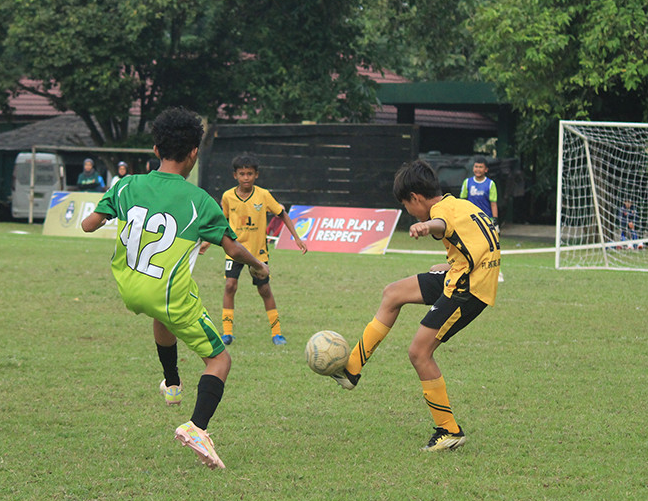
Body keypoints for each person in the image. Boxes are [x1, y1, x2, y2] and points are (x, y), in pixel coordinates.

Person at [81, 107, 269, 470]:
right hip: (168, 293)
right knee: (220, 360)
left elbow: (89, 225)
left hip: (131, 287)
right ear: (194, 153)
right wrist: (258, 263)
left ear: (155, 149)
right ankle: (197, 427)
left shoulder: (126, 184)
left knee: (160, 318)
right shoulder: (199, 201)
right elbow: (232, 248)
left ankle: (172, 383)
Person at [330, 159, 501, 452]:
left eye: (407, 206)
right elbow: (481, 236)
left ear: (416, 198)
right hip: (462, 273)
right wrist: (452, 263)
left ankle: (448, 430)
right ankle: (352, 368)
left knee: (419, 352)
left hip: (467, 288)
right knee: (393, 293)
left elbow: (441, 224)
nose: (409, 212)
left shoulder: (439, 213)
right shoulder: (461, 205)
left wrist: (425, 226)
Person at [199, 153, 308, 346]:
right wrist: (207, 242)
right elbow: (221, 221)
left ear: (256, 175)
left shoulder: (263, 195)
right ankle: (227, 333)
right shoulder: (228, 197)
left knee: (264, 289)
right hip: (234, 251)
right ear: (235, 176)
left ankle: (277, 334)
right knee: (230, 286)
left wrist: (297, 238)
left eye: (249, 173)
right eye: (242, 174)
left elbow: (282, 214)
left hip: (258, 253)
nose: (246, 178)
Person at [459, 157, 505, 282]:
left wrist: (495, 220)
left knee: (491, 247)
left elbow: (493, 203)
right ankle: (470, 272)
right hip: (471, 221)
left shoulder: (490, 184)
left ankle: (498, 273)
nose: (478, 169)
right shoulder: (467, 183)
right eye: (476, 167)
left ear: (486, 169)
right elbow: (462, 202)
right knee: (470, 247)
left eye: (480, 167)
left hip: (486, 221)